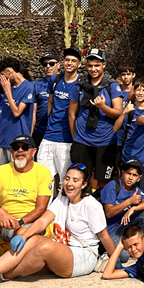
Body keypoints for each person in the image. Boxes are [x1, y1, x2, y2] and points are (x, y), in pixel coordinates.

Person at [0, 163, 111, 288]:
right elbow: (42, 221)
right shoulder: (62, 198)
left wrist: (114, 259)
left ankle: (2, 275)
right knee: (32, 239)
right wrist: (23, 236)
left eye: (75, 180)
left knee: (44, 247)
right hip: (63, 250)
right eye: (67, 179)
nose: (69, 184)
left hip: (83, 255)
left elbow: (103, 235)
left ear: (84, 184)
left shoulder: (91, 205)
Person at [0, 135, 53, 265]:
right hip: (3, 221)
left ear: (34, 151)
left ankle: (8, 264)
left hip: (27, 222)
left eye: (25, 147)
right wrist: (0, 212)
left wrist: (20, 222)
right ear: (11, 152)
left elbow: (41, 208)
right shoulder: (1, 171)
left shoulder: (43, 172)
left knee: (22, 233)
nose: (20, 151)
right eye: (16, 148)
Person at [69, 48, 122, 191]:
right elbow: (72, 113)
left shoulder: (112, 86)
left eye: (97, 65)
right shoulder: (80, 86)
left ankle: (103, 211)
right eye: (90, 65)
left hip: (105, 141)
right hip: (82, 141)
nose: (93, 69)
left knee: (104, 181)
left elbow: (118, 113)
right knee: (80, 179)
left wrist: (102, 106)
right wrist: (75, 137)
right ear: (86, 66)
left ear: (104, 65)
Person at [38, 47, 83, 185]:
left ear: (79, 64)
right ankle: (46, 206)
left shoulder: (82, 83)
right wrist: (51, 120)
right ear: (63, 62)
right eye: (67, 60)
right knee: (43, 178)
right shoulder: (55, 80)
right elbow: (50, 102)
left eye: (73, 61)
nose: (69, 63)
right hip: (48, 136)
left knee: (66, 180)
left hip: (67, 138)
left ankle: (65, 207)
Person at [0, 57, 40, 166]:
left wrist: (7, 91)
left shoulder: (28, 87)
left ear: (9, 72)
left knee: (18, 175)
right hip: (3, 140)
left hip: (18, 142)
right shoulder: (8, 86)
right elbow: (5, 115)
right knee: (1, 177)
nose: (2, 78)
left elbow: (17, 112)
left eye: (2, 74)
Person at [113, 79, 144, 194]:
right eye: (138, 90)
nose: (140, 93)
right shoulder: (129, 109)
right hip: (128, 156)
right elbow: (115, 128)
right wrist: (124, 113)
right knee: (126, 192)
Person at [100, 159, 144, 247]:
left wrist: (133, 208)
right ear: (123, 173)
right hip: (111, 227)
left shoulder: (135, 189)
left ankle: (137, 239)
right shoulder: (113, 185)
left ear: (139, 178)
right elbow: (109, 213)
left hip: (125, 223)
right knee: (124, 257)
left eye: (134, 175)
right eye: (128, 173)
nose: (130, 178)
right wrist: (129, 201)